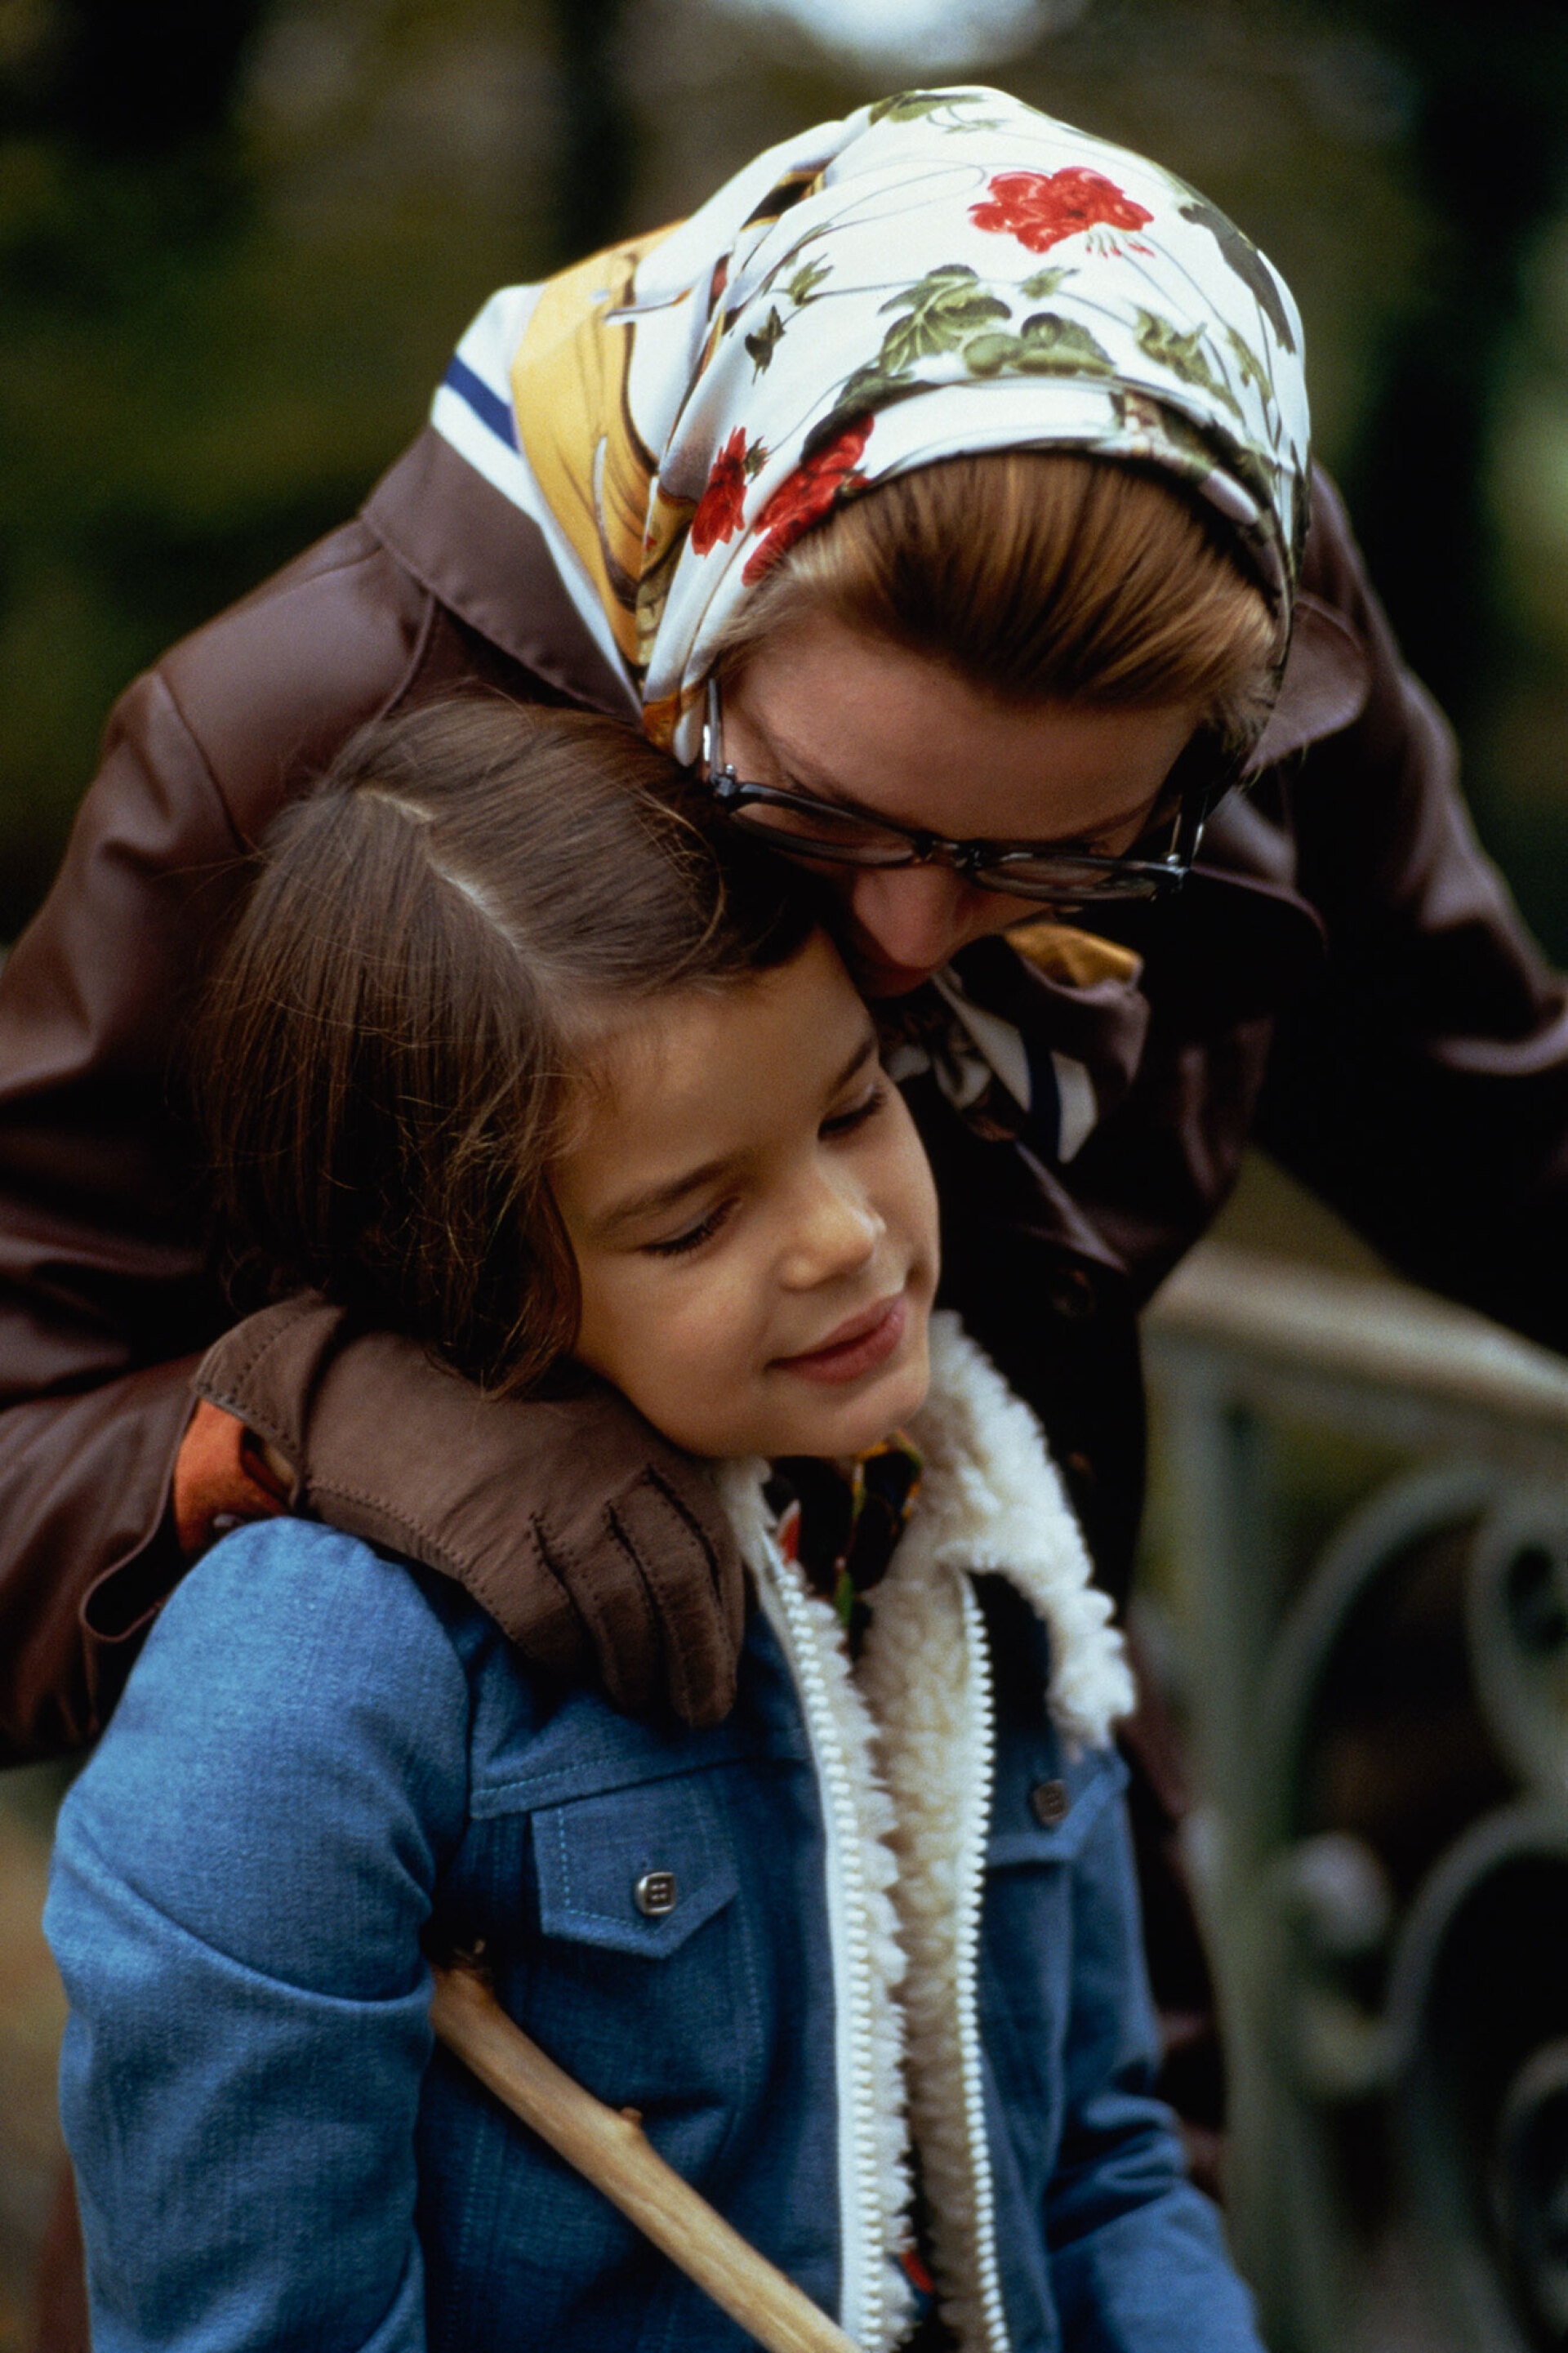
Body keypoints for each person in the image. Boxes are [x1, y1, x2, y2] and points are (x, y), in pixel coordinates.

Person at [44, 695, 1264, 2353]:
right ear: (475, 1278)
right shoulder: (316, 1678)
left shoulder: (973, 1535)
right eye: (694, 1219)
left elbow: (1103, 2168)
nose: (842, 1240)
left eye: (849, 1109)